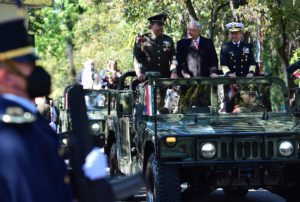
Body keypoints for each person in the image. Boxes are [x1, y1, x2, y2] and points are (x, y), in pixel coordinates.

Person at [0, 11, 73, 201]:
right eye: (28, 65)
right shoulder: (13, 131)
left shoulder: (26, 120)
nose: (37, 71)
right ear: (5, 76)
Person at [133, 13, 178, 82]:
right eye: (159, 25)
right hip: (147, 78)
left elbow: (173, 58)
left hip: (165, 78)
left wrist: (174, 71)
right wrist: (139, 72)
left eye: (162, 25)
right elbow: (137, 58)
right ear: (151, 26)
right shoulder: (142, 40)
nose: (161, 27)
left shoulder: (168, 40)